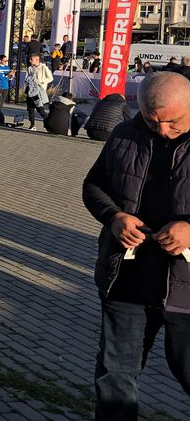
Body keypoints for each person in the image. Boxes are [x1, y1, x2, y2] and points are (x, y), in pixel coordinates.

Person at [83, 72, 190, 420]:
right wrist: (113, 217)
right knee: (115, 374)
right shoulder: (124, 134)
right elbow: (93, 186)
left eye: (172, 122)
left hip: (185, 287)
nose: (162, 130)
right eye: (152, 120)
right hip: (127, 278)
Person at [24, 53, 54, 130]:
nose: (30, 61)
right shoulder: (30, 68)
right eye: (30, 59)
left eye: (32, 59)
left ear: (37, 60)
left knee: (39, 108)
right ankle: (32, 124)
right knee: (30, 108)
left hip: (39, 90)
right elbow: (26, 77)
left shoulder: (44, 67)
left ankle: (48, 123)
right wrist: (28, 81)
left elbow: (50, 78)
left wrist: (41, 81)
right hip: (30, 90)